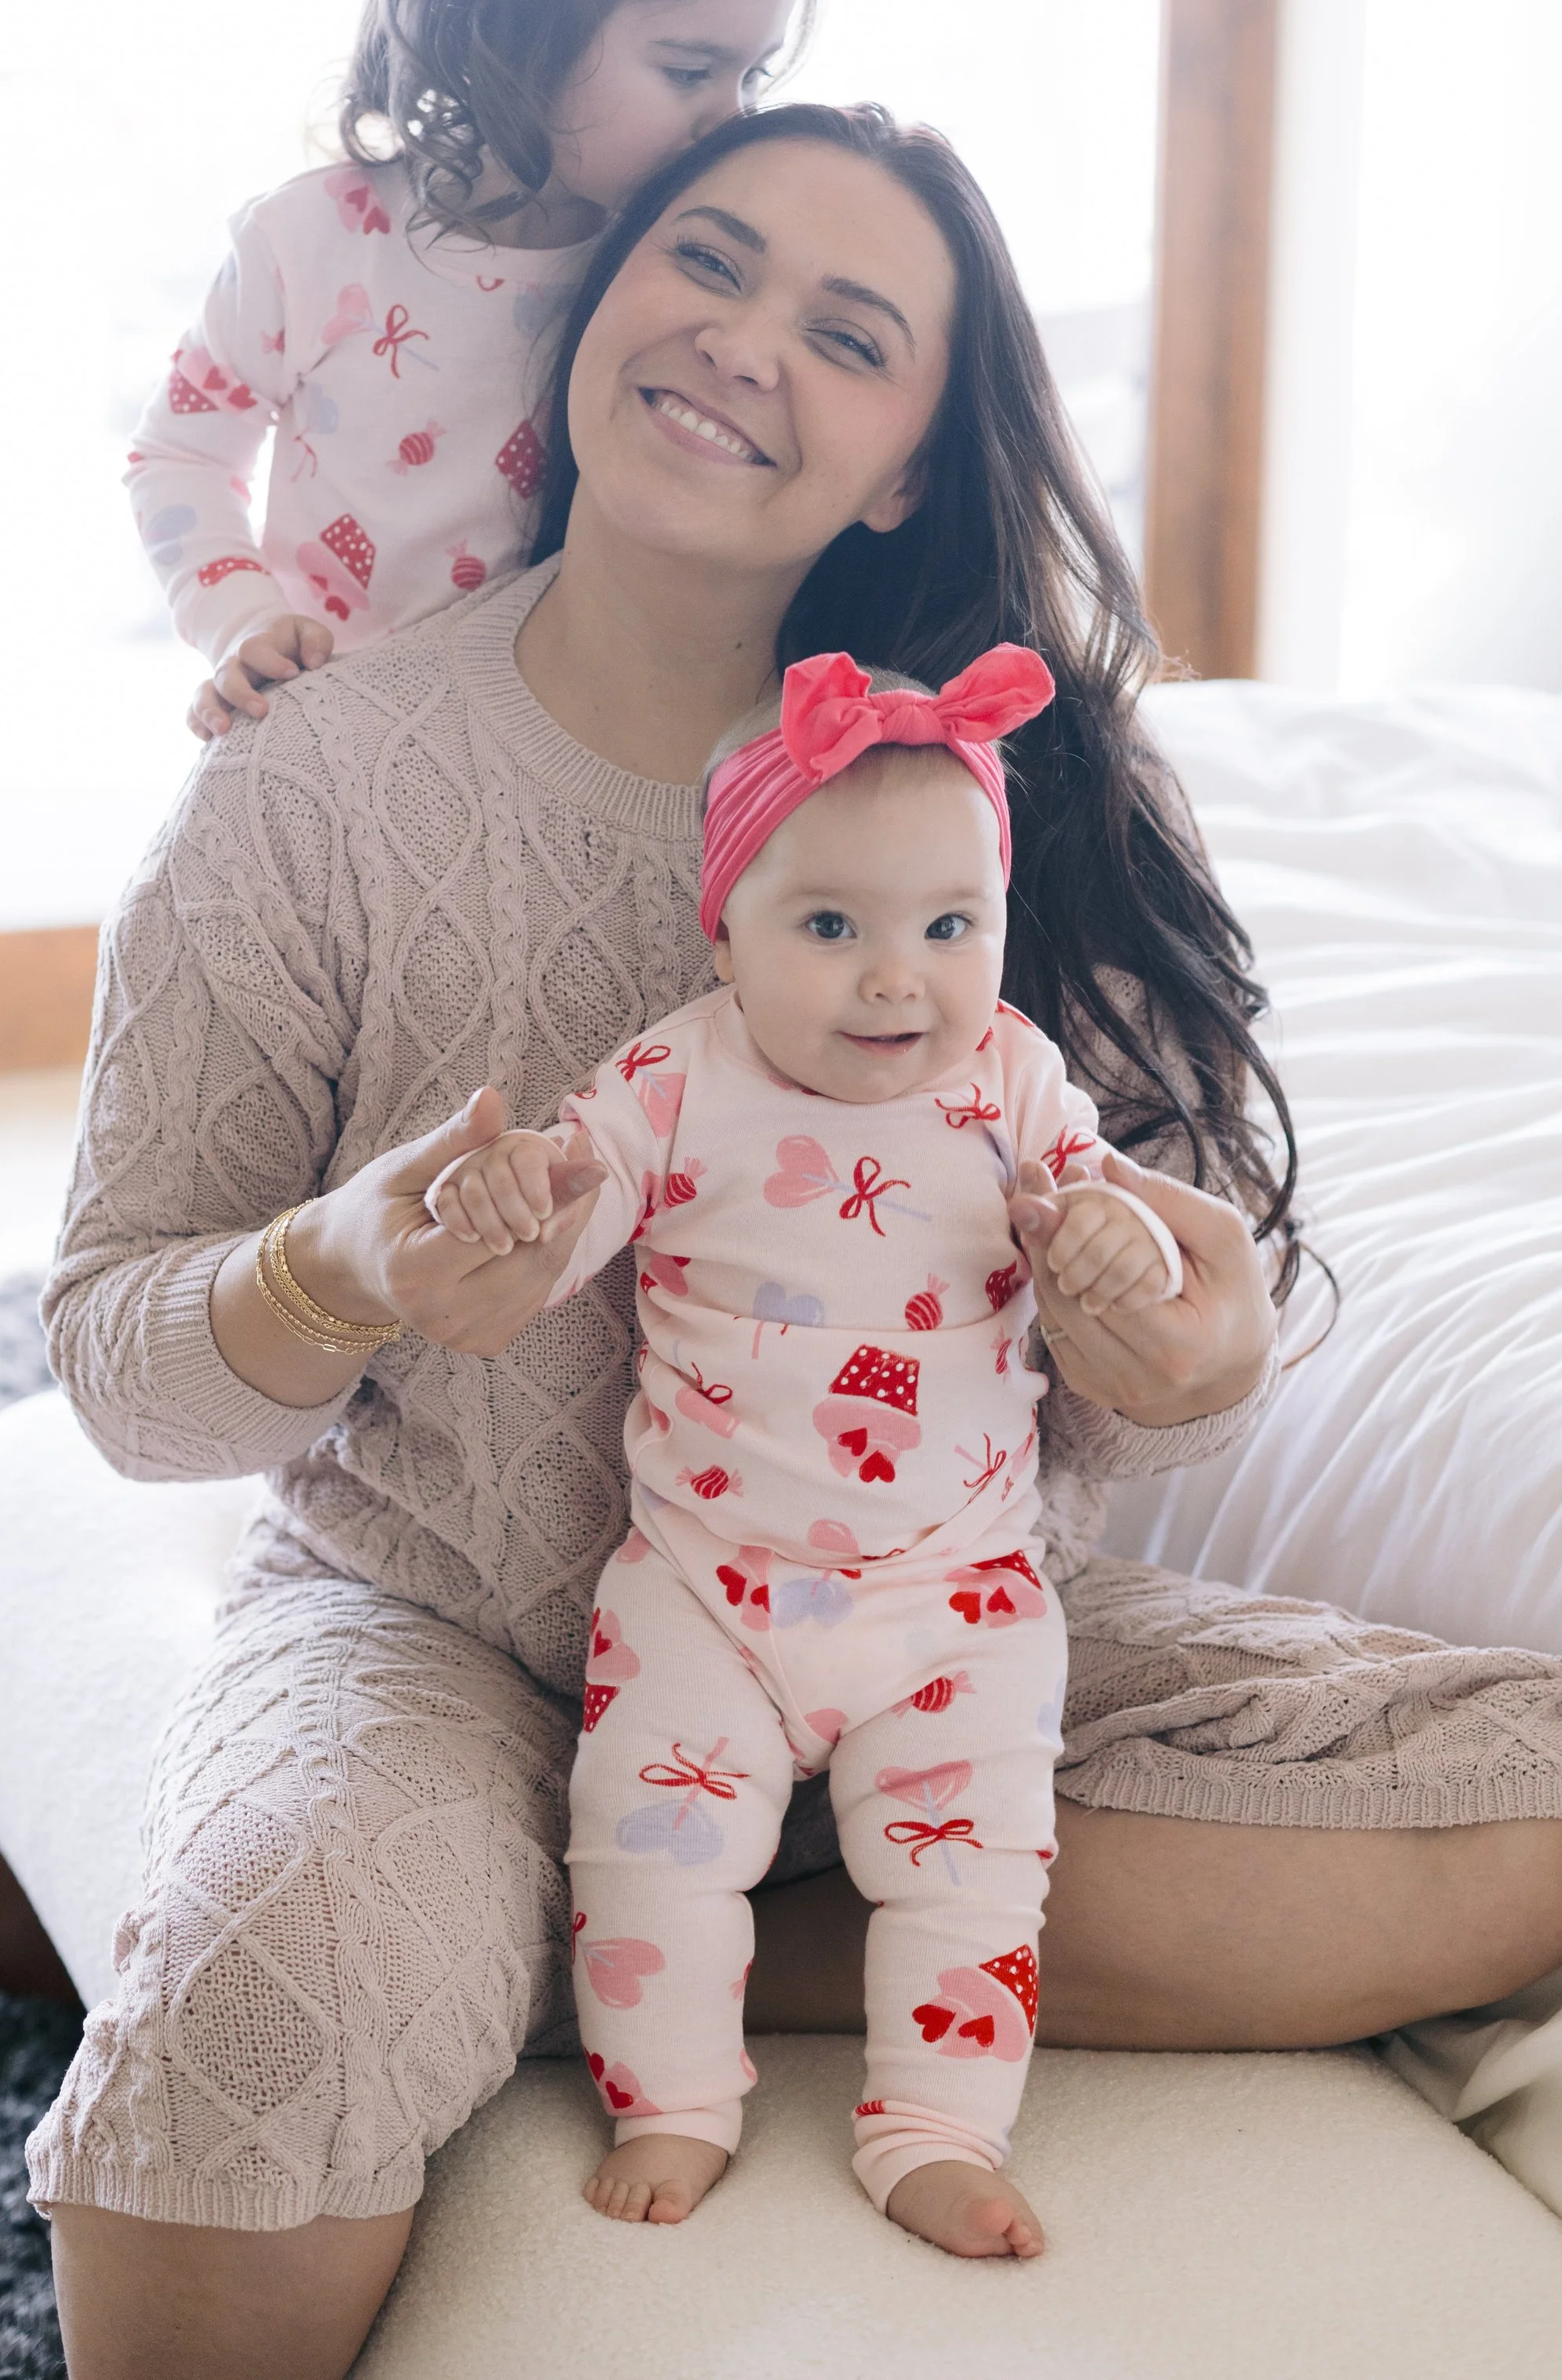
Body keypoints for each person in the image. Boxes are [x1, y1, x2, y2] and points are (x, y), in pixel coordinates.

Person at [28, 104, 1562, 2380]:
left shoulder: (1026, 807)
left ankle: (647, 1923)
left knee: (1521, 1814)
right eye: (705, 257)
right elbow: (113, 1360)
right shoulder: (313, 783)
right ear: (594, 318)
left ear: (902, 463)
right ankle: (556, 1890)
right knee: (245, 2033)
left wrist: (1180, 1349)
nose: (739, 338)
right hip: (450, 1635)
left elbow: (1156, 1338)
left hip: (932, 1605)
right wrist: (341, 1270)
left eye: (846, 329)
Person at [426, 642, 1185, 2258]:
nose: (894, 979)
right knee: (645, 1846)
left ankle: (931, 2129)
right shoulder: (674, 1074)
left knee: (975, 1877)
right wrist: (511, 1202)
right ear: (724, 927)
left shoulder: (1013, 1080)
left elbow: (1099, 1209)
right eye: (829, 927)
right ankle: (675, 2099)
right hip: (706, 1587)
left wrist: (1111, 1246)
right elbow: (564, 1217)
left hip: (955, 1596)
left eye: (946, 927)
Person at [124, 0, 813, 741]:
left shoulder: (666, 279)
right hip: (321, 743)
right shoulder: (310, 241)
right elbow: (178, 454)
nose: (732, 118)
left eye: (751, 76)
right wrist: (242, 621)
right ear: (517, 29)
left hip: (554, 744)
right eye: (688, 70)